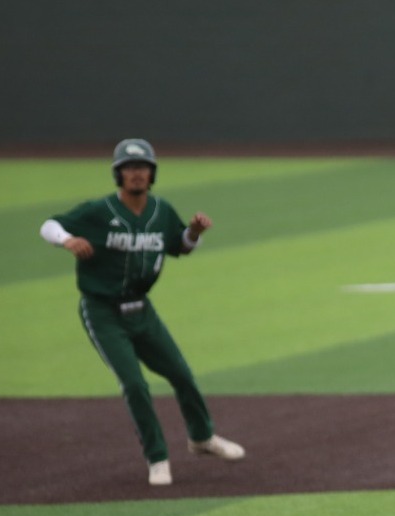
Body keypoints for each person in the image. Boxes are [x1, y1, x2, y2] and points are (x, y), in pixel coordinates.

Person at [40, 138, 245, 486]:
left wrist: (193, 233)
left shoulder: (160, 211)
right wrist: (66, 240)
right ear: (118, 175)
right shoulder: (100, 211)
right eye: (129, 168)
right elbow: (48, 225)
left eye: (143, 168)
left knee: (181, 374)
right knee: (134, 384)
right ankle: (158, 458)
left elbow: (180, 246)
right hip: (102, 311)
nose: (137, 174)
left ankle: (202, 438)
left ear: (152, 174)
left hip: (142, 311)